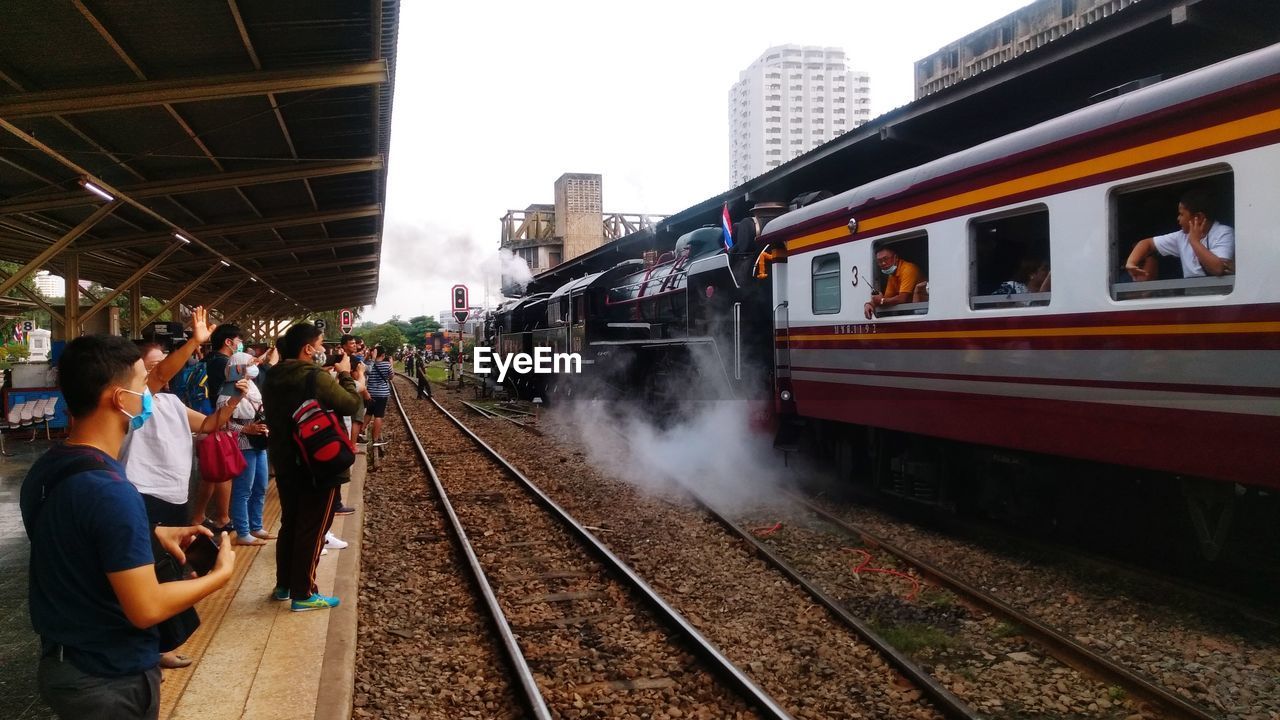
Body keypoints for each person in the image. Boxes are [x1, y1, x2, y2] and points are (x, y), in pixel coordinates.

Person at [21, 335, 235, 719]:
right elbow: (146, 608)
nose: (149, 393)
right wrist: (220, 576)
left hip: (65, 663)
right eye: (142, 384)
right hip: (108, 678)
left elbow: (71, 540)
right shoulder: (112, 491)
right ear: (121, 400)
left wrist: (153, 534)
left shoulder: (50, 467)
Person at [120, 307, 248, 670]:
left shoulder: (171, 402)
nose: (164, 368)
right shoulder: (134, 405)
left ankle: (162, 646)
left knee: (172, 571)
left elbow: (208, 425)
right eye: (152, 365)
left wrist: (234, 401)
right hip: (144, 494)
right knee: (150, 576)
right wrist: (195, 340)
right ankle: (149, 652)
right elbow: (158, 376)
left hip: (176, 494)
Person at [262, 323, 362, 611]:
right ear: (307, 348)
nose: (322, 350)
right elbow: (351, 404)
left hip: (284, 463)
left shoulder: (274, 375)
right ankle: (304, 593)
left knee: (291, 524)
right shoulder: (314, 376)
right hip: (317, 463)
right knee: (313, 528)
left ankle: (284, 586)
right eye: (319, 344)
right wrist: (345, 374)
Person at [1124, 188, 1235, 282]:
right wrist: (1131, 263)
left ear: (1198, 217)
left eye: (1181, 214)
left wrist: (1194, 241)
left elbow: (1217, 269)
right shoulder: (1181, 236)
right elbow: (1146, 243)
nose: (1178, 219)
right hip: (1192, 293)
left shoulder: (1224, 232)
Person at [219, 352, 273, 547]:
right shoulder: (227, 390)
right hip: (243, 445)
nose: (254, 366)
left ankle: (255, 526)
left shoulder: (251, 386)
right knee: (243, 490)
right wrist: (246, 429)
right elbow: (222, 422)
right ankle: (243, 531)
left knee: (260, 486)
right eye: (249, 363)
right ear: (238, 366)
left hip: (259, 442)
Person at [864, 246, 924, 319]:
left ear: (896, 258)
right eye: (879, 261)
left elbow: (902, 299)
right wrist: (870, 304)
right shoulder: (892, 275)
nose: (883, 263)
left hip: (921, 311)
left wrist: (881, 301)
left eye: (886, 259)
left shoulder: (908, 269)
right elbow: (887, 297)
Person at [365, 345, 393, 459]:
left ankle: (361, 431)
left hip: (371, 393)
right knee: (378, 416)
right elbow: (391, 377)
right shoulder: (387, 365)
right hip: (382, 394)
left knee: (368, 413)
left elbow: (366, 372)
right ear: (383, 355)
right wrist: (391, 364)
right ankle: (375, 439)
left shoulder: (369, 364)